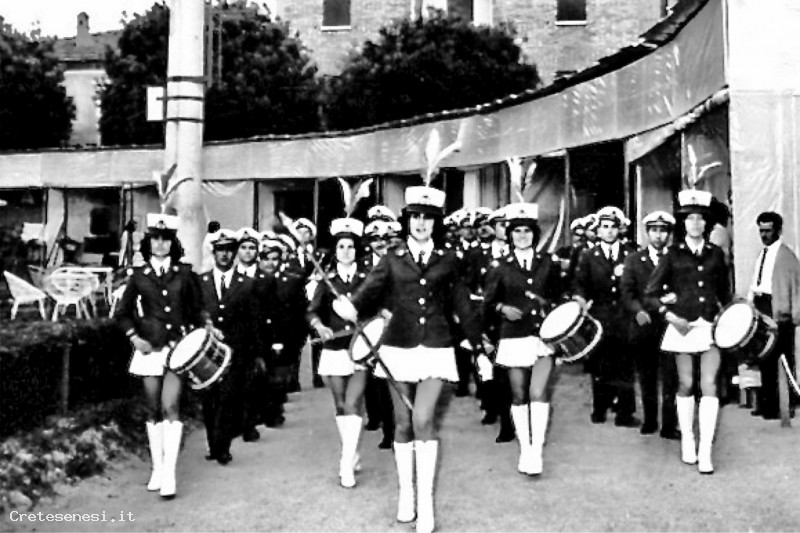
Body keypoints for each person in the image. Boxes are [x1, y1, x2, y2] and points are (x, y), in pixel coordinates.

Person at [333, 185, 486, 533]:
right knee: (402, 424)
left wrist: (479, 348)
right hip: (398, 348)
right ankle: (407, 494)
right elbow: (368, 292)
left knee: (423, 418)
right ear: (407, 220)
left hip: (436, 347)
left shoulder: (449, 259)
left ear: (436, 223)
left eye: (428, 218)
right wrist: (350, 306)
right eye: (415, 216)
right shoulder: (391, 258)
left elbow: (463, 304)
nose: (421, 223)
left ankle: (426, 505)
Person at [114, 213, 204, 499]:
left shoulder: (185, 273)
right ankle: (157, 467)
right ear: (149, 242)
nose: (161, 244)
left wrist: (203, 332)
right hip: (149, 351)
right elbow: (122, 314)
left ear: (173, 243)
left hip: (177, 350)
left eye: (166, 239)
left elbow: (197, 311)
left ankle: (169, 474)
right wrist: (134, 338)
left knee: (170, 406)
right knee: (153, 410)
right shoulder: (138, 276)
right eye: (156, 239)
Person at [645, 189, 731, 474]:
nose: (695, 223)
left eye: (700, 219)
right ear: (683, 223)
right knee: (686, 384)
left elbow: (724, 293)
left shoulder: (716, 254)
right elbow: (650, 294)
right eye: (690, 218)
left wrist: (730, 315)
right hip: (682, 327)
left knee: (709, 384)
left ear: (707, 223)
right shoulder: (672, 254)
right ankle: (688, 440)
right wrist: (669, 315)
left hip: (709, 327)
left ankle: (706, 451)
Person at [483, 202, 562, 476]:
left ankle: (536, 451)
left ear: (535, 233)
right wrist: (502, 308)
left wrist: (551, 305)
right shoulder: (499, 266)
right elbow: (488, 302)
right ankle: (525, 448)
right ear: (509, 234)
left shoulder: (548, 263)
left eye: (527, 231)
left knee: (538, 392)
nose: (522, 236)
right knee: (518, 394)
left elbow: (560, 297)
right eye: (516, 231)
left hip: (543, 337)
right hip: (514, 336)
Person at [307, 218, 370, 488]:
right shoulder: (327, 281)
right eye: (341, 246)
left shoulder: (368, 279)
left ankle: (345, 464)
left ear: (357, 250)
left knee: (354, 404)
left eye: (351, 246)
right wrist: (319, 326)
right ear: (335, 251)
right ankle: (352, 452)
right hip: (333, 349)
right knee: (341, 405)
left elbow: (378, 308)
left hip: (360, 349)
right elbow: (312, 311)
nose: (346, 251)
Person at [197, 229, 263, 463]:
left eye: (228, 251)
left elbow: (255, 320)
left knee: (228, 398)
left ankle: (222, 447)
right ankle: (213, 444)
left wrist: (257, 354)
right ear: (213, 253)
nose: (224, 255)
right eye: (220, 250)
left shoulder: (247, 284)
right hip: (208, 351)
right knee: (209, 399)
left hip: (236, 351)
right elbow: (196, 314)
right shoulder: (201, 282)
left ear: (234, 254)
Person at [573, 206, 639, 427]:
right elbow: (580, 284)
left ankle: (625, 413)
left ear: (619, 230)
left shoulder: (631, 254)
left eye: (613, 227)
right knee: (600, 365)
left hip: (625, 317)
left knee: (625, 365)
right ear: (598, 230)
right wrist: (580, 300)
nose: (609, 231)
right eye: (605, 227)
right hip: (599, 317)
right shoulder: (588, 256)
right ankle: (599, 408)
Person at [620, 211, 680, 439]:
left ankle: (669, 424)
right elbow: (627, 292)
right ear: (647, 233)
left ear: (669, 234)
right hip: (644, 324)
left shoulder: (676, 258)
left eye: (663, 231)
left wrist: (674, 299)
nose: (658, 235)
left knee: (671, 377)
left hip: (669, 324)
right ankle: (650, 420)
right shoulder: (634, 260)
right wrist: (638, 311)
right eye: (654, 230)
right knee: (647, 376)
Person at [747, 212, 800, 420]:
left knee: (783, 358)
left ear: (778, 230)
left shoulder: (786, 257)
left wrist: (790, 315)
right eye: (761, 231)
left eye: (768, 230)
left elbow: (794, 288)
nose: (764, 235)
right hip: (761, 306)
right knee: (764, 357)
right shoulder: (763, 253)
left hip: (777, 308)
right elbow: (756, 282)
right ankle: (767, 403)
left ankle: (785, 405)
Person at [361, 216, 396, 449]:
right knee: (372, 378)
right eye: (375, 239)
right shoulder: (362, 265)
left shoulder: (401, 262)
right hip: (370, 326)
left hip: (396, 325)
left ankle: (393, 429)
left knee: (391, 379)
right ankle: (377, 419)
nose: (380, 243)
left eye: (385, 238)